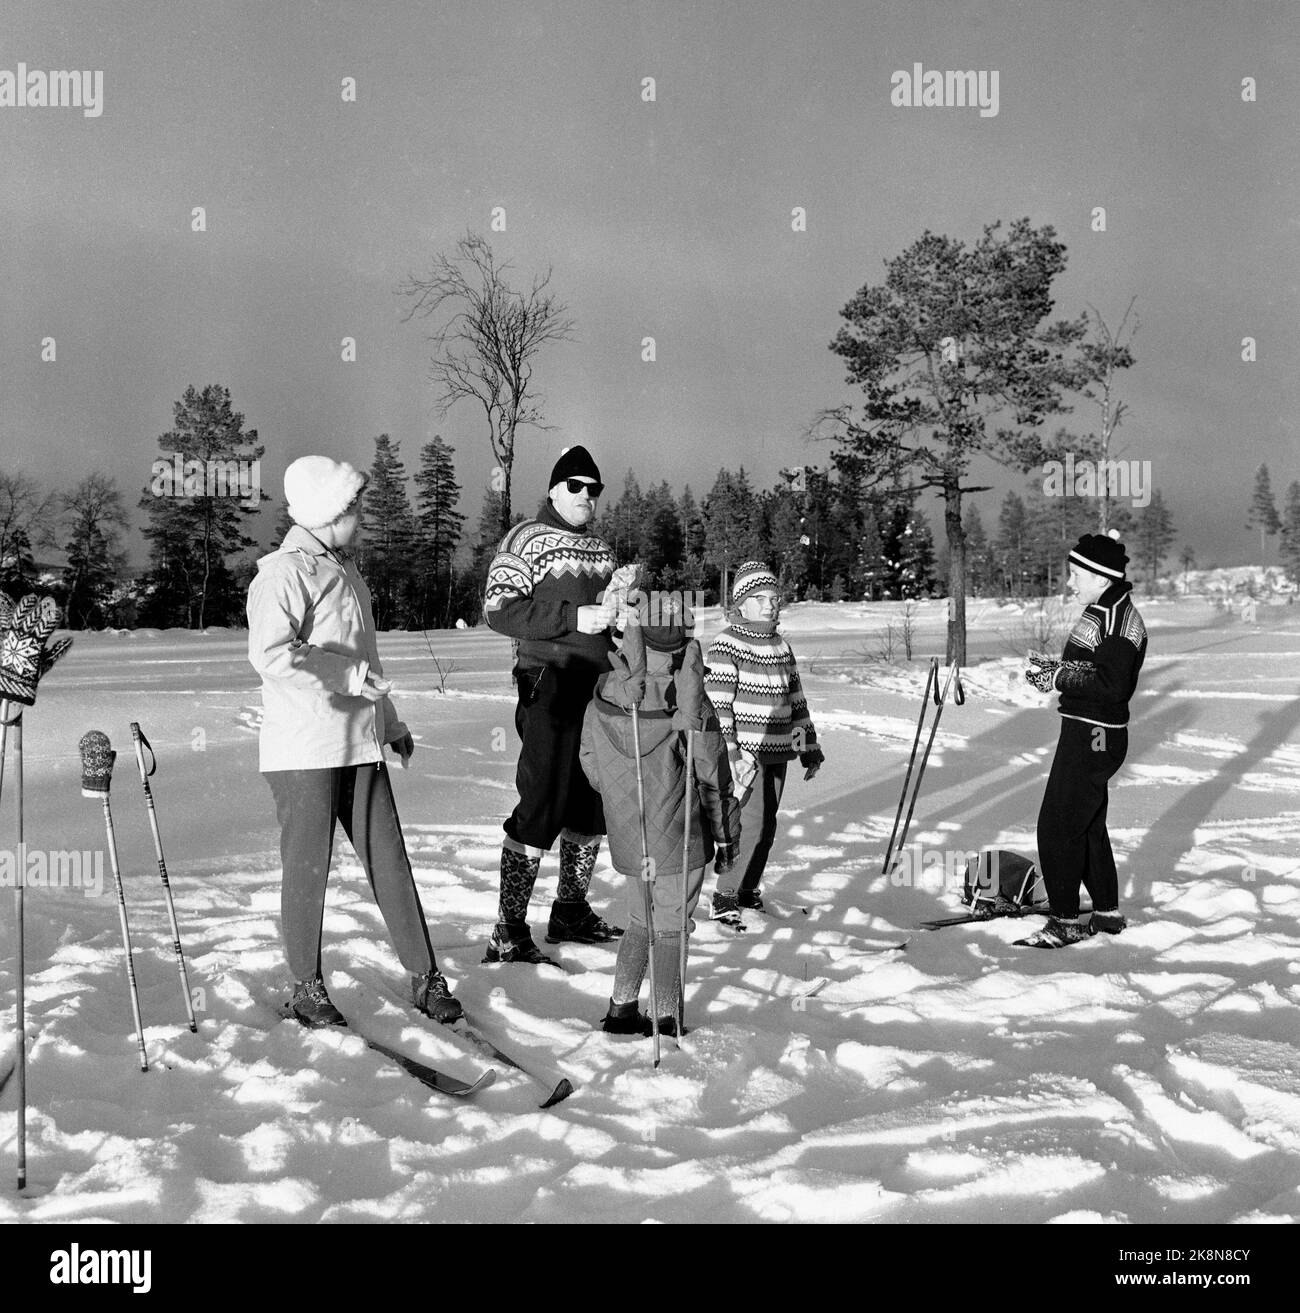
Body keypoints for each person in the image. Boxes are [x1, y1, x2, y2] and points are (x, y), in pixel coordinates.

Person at [248, 455, 461, 1025]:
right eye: (352, 507)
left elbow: (367, 662)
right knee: (307, 867)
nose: (360, 516)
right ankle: (305, 985)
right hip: (304, 750)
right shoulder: (282, 574)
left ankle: (425, 975)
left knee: (390, 860)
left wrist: (391, 724)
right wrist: (349, 678)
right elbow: (270, 654)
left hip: (359, 744)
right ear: (326, 513)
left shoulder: (345, 572)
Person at [482, 445, 632, 964]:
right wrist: (573, 616)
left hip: (601, 687)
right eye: (576, 486)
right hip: (550, 682)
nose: (587, 496)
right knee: (543, 797)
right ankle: (508, 930)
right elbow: (499, 610)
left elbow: (607, 617)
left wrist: (623, 610)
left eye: (595, 488)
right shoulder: (525, 539)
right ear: (552, 489)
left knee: (593, 801)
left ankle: (570, 910)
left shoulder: (602, 549)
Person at [579, 611, 740, 1035]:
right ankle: (666, 1019)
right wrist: (726, 836)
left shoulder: (608, 690)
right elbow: (712, 775)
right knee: (671, 926)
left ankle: (621, 1010)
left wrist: (621, 800)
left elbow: (590, 759)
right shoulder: (688, 696)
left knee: (640, 919)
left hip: (632, 833)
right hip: (680, 834)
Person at [1018, 530, 1148, 949]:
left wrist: (1056, 676)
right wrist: (1055, 669)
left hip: (1095, 735)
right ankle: (1106, 913)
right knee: (1087, 824)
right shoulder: (1103, 609)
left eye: (1076, 574)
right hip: (1088, 729)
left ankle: (1065, 922)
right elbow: (1089, 669)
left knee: (1057, 825)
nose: (1070, 582)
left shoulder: (1118, 620)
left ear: (1101, 577)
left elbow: (1112, 685)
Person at [703, 561, 824, 929]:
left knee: (768, 826)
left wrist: (808, 747)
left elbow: (797, 702)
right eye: (760, 598)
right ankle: (724, 896)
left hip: (778, 752)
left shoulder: (781, 646)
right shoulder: (727, 644)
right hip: (745, 759)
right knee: (748, 826)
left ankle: (746, 889)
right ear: (741, 603)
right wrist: (732, 753)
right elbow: (719, 707)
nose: (770, 604)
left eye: (774, 597)